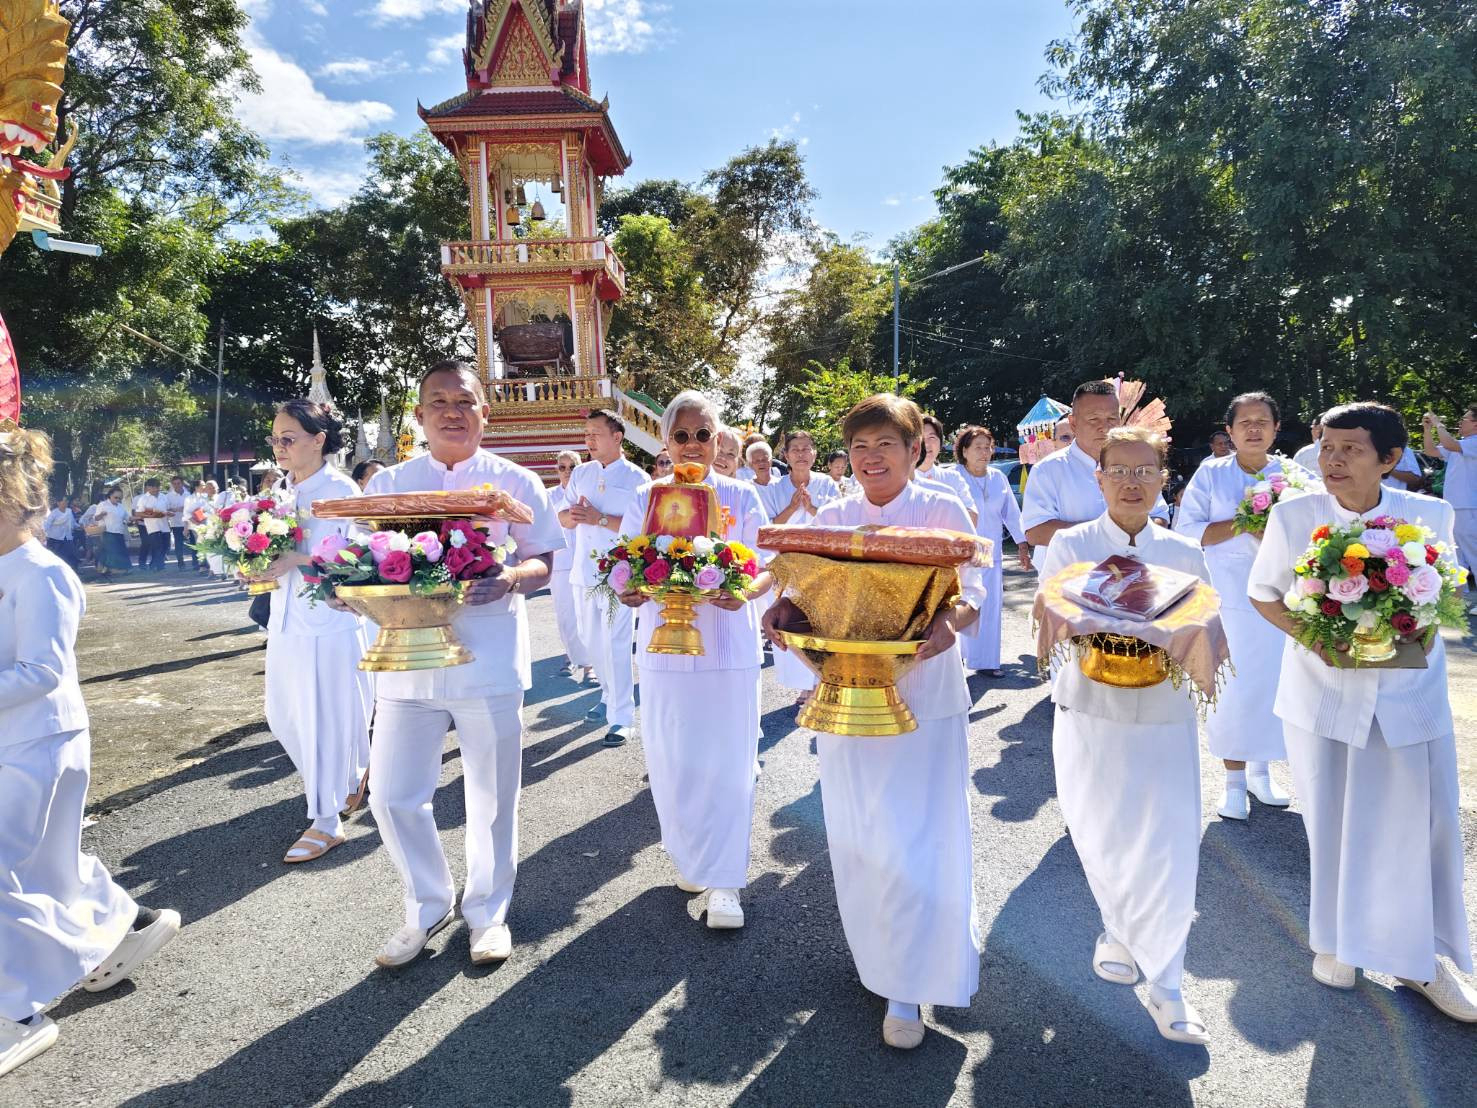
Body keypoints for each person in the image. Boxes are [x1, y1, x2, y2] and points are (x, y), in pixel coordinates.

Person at [763, 394, 983, 1051]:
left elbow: (973, 593)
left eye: (885, 443)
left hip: (924, 695)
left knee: (921, 833)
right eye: (859, 446)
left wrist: (947, 626)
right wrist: (783, 615)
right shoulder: (832, 516)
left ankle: (910, 982)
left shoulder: (942, 509)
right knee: (861, 833)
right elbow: (803, 595)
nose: (870, 457)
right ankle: (880, 961)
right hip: (848, 697)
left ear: (915, 449)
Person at [1249, 402, 1476, 1021]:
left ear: (1391, 458)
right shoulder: (1295, 515)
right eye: (1327, 447)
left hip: (1409, 693)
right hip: (1322, 693)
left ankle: (1421, 960)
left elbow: (1446, 592)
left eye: (1350, 449)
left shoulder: (1428, 515)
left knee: (1419, 826)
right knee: (1330, 821)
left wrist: (1415, 626)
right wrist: (1317, 636)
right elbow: (1263, 592)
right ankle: (1335, 943)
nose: (1333, 460)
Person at [362, 360, 559, 968]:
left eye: (465, 401)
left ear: (484, 413)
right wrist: (354, 592)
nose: (452, 412)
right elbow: (359, 559)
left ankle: (487, 913)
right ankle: (426, 903)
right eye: (439, 401)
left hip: (487, 655)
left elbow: (545, 560)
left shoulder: (516, 482)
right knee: (391, 796)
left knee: (493, 797)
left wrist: (511, 577)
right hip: (405, 660)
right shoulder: (388, 483)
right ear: (419, 414)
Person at [0, 423, 181, 1079]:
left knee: (9, 871)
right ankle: (124, 927)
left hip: (39, 743)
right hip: (17, 741)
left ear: (14, 500)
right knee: (45, 868)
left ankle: (15, 1014)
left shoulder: (42, 573)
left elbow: (41, 672)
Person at [1038, 426, 1215, 1046]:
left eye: (1145, 471)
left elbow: (1206, 626)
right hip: (1089, 707)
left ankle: (1168, 982)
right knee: (1100, 830)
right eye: (1120, 470)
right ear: (1100, 477)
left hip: (1165, 714)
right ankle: (1116, 929)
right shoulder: (1071, 544)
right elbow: (1052, 614)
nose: (1132, 483)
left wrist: (1166, 631)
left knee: (1168, 841)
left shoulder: (1184, 552)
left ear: (1164, 479)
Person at [617, 390, 771, 932]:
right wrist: (629, 589)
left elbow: (769, 564)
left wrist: (744, 590)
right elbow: (622, 565)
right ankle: (692, 858)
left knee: (730, 763)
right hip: (664, 651)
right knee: (672, 761)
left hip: (728, 646)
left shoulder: (742, 496)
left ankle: (726, 882)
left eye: (702, 434)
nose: (692, 444)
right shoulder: (646, 496)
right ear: (665, 440)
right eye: (681, 435)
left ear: (718, 438)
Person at [242, 399, 373, 864]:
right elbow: (267, 549)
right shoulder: (280, 489)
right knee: (282, 714)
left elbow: (362, 556)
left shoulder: (339, 489)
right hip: (284, 618)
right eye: (274, 439)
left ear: (318, 440)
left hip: (328, 622)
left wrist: (299, 559)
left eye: (288, 438)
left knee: (322, 721)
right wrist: (252, 562)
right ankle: (352, 773)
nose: (279, 447)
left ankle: (326, 821)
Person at [1174, 392, 1306, 820]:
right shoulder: (1211, 474)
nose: (1253, 429)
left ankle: (1261, 773)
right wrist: (1245, 521)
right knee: (1233, 688)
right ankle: (1233, 780)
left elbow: (1316, 528)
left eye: (1262, 421)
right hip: (1228, 597)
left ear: (1276, 428)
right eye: (1244, 422)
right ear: (1229, 431)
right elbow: (1188, 531)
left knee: (1274, 684)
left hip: (1281, 598)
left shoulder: (1294, 475)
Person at [562, 411, 646, 747]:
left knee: (616, 644)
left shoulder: (638, 478)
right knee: (591, 642)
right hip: (584, 572)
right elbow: (563, 517)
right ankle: (609, 696)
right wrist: (574, 515)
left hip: (618, 575)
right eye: (586, 433)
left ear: (617, 437)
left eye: (595, 433)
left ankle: (622, 717)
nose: (589, 440)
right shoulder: (581, 473)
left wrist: (599, 519)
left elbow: (642, 529)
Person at [1022, 379, 1169, 571]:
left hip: (1134, 574)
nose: (1104, 427)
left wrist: (1134, 537)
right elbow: (1036, 531)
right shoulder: (1048, 470)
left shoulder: (1138, 463)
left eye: (1112, 419)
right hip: (1068, 579)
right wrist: (1109, 535)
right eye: (1094, 419)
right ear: (1073, 423)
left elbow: (1159, 517)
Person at [759, 430, 841, 706]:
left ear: (815, 454)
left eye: (807, 448)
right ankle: (805, 685)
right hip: (788, 564)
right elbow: (768, 526)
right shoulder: (775, 488)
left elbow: (837, 524)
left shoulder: (827, 484)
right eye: (795, 449)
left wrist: (812, 507)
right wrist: (793, 506)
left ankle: (821, 682)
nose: (802, 454)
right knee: (792, 622)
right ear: (785, 455)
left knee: (822, 622)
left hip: (821, 563)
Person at [954, 426, 1030, 675]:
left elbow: (1011, 513)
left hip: (991, 553)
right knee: (960, 605)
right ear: (964, 451)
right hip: (962, 555)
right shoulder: (954, 477)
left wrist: (1022, 544)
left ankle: (986, 662)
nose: (984, 452)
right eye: (978, 447)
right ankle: (957, 658)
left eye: (988, 447)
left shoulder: (997, 477)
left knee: (989, 608)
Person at [547, 448, 593, 682]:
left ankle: (589, 666)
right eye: (562, 467)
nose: (567, 471)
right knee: (566, 616)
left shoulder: (589, 493)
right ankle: (570, 656)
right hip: (561, 563)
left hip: (587, 562)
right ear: (556, 470)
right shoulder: (548, 496)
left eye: (572, 466)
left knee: (587, 615)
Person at [1423, 405, 1477, 596]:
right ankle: (1459, 601)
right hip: (1456, 506)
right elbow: (1430, 451)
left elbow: (1449, 444)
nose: (1460, 423)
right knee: (1456, 555)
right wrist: (1427, 429)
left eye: (1464, 419)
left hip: (1469, 506)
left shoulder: (1472, 443)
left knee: (1473, 553)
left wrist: (1438, 424)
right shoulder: (1460, 444)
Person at [916, 414, 976, 522]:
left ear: (940, 444)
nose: (926, 444)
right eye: (920, 438)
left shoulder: (953, 479)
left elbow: (972, 517)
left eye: (932, 437)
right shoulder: (899, 481)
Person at [133, 478, 170, 570]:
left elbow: (168, 509)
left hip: (164, 526)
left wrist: (169, 513)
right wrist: (155, 514)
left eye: (157, 487)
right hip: (152, 527)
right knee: (157, 546)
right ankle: (158, 566)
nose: (155, 489)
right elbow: (138, 513)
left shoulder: (163, 496)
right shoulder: (143, 499)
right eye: (152, 487)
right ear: (147, 488)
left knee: (166, 546)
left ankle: (155, 564)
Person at [94, 488, 130, 579]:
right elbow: (96, 518)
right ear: (110, 495)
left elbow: (127, 517)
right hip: (108, 531)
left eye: (120, 498)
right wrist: (102, 514)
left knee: (117, 551)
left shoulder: (121, 506)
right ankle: (113, 570)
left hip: (119, 531)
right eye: (116, 497)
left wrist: (137, 518)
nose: (118, 499)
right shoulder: (103, 504)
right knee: (111, 552)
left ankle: (104, 569)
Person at [181, 481, 209, 573]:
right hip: (196, 525)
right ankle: (202, 565)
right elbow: (186, 513)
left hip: (208, 523)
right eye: (202, 485)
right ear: (196, 487)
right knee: (200, 545)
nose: (204, 487)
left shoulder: (207, 496)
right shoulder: (189, 499)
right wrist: (195, 523)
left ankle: (211, 565)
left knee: (209, 544)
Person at [163, 475, 189, 570]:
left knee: (193, 544)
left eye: (178, 483)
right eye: (174, 484)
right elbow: (166, 509)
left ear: (182, 483)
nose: (177, 485)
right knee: (178, 544)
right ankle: (181, 563)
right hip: (176, 524)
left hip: (189, 523)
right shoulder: (168, 496)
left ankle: (197, 563)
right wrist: (174, 510)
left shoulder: (188, 494)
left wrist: (180, 509)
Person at [42, 497, 75, 566]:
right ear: (58, 503)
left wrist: (80, 526)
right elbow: (47, 524)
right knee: (56, 557)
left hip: (67, 537)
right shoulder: (54, 513)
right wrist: (42, 534)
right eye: (64, 501)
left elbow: (72, 522)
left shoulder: (69, 511)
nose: (66, 502)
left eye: (66, 501)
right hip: (55, 539)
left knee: (69, 555)